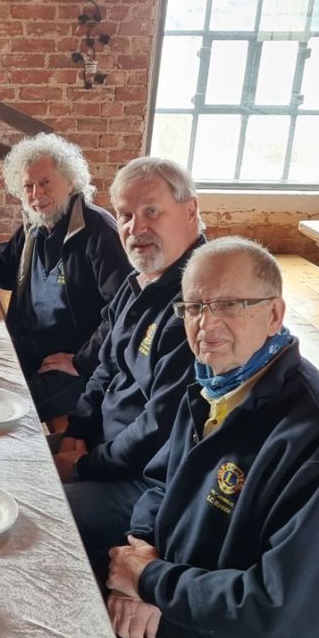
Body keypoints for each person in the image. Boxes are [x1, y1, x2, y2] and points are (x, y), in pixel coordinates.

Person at [106, 237, 319, 638]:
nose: (206, 324)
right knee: (66, 578)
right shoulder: (216, 387)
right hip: (192, 597)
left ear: (274, 314)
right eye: (193, 307)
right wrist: (140, 557)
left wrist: (151, 581)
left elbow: (283, 611)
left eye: (230, 304)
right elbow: (160, 481)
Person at [53, 157, 204, 572]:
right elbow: (105, 366)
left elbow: (159, 425)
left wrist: (84, 466)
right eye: (125, 215)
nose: (136, 228)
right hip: (103, 450)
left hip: (143, 483)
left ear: (190, 210)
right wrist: (76, 432)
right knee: (6, 461)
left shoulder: (196, 304)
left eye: (152, 211)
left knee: (36, 509)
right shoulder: (141, 280)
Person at [0, 134, 130, 419]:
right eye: (28, 186)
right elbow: (1, 263)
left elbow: (124, 311)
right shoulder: (37, 225)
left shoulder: (99, 232)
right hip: (28, 344)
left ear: (70, 182)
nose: (36, 194)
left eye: (45, 182)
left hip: (73, 363)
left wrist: (82, 361)